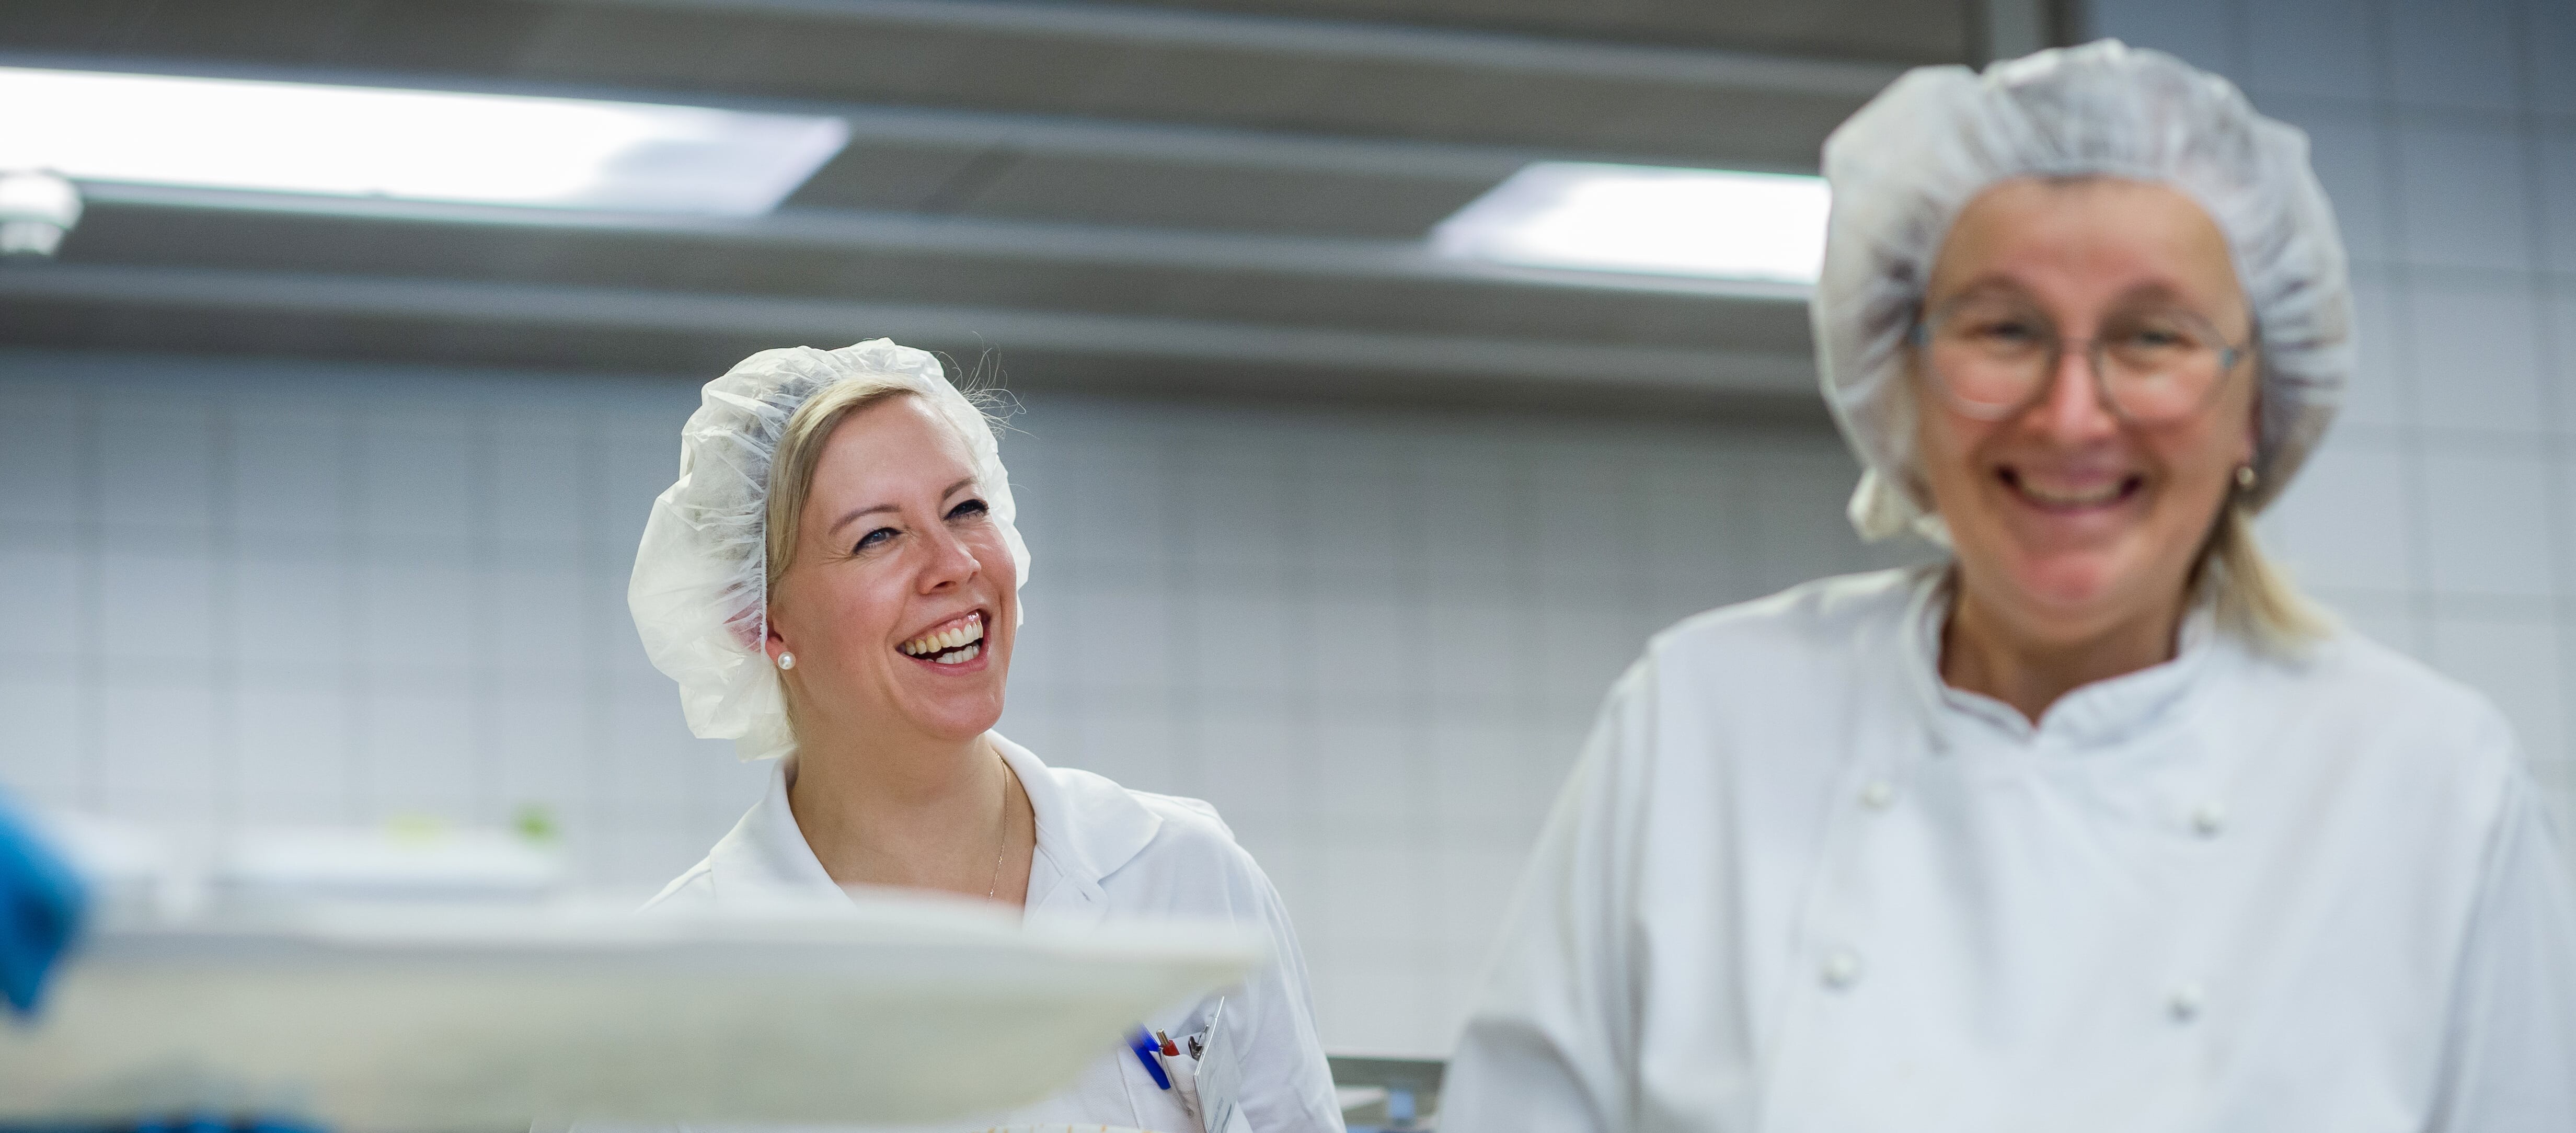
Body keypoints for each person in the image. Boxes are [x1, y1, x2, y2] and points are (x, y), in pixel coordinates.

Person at [1442, 41, 2576, 1131]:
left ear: (2256, 406)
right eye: (2003, 329)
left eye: (2151, 336)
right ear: (1903, 384)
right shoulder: (1703, 717)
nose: (2071, 414)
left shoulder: (2423, 779)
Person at [626, 339, 1341, 1132]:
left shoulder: (1183, 877)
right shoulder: (671, 990)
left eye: (965, 509)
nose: (954, 562)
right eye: (877, 536)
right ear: (759, 620)